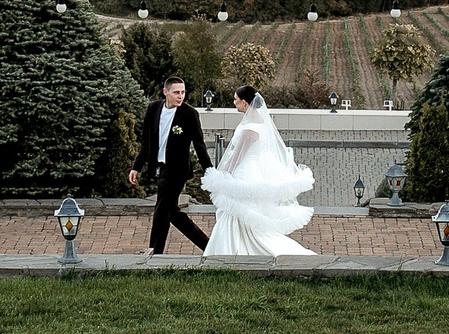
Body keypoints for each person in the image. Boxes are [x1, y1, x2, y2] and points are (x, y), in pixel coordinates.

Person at [202, 86, 315, 257]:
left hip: (244, 174)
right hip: (251, 171)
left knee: (236, 212)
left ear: (245, 103)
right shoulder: (259, 121)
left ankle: (232, 252)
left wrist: (222, 174)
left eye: (236, 100)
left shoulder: (250, 129)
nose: (234, 103)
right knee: (238, 213)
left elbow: (237, 157)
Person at [129, 74, 209, 253]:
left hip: (178, 171)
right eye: (176, 92)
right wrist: (136, 167)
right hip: (162, 168)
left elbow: (199, 144)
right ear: (166, 92)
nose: (180, 96)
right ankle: (208, 246)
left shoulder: (189, 114)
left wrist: (209, 171)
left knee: (161, 210)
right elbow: (146, 142)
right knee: (170, 212)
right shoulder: (153, 109)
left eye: (183, 92)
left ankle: (154, 252)